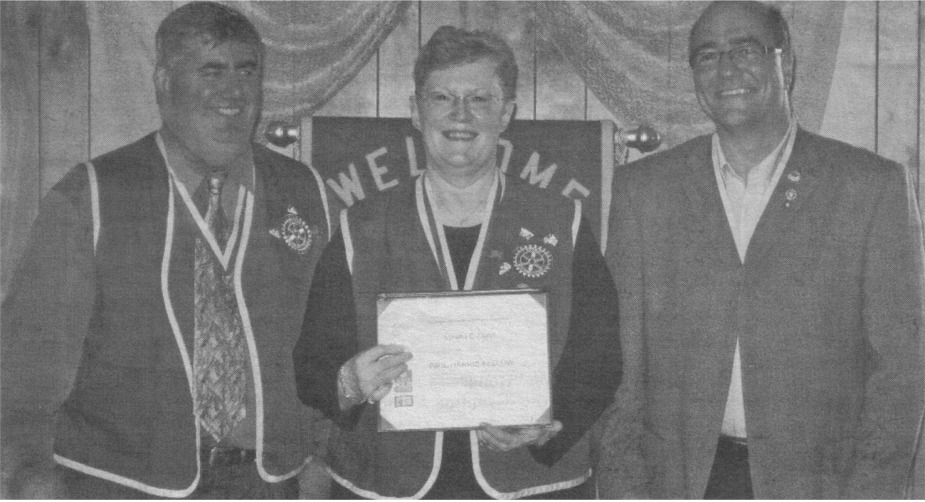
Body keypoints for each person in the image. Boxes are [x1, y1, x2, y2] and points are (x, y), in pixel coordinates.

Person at [0, 2, 333, 498]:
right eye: (210, 70)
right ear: (163, 84)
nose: (234, 92)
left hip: (267, 484)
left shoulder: (303, 192)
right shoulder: (93, 195)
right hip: (118, 482)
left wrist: (320, 458)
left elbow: (326, 349)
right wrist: (28, 474)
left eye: (247, 71)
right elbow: (26, 367)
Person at [600, 1, 925, 498]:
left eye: (746, 49)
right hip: (681, 483)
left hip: (820, 486)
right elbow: (621, 367)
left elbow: (900, 371)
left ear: (787, 62)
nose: (726, 68)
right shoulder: (643, 191)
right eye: (706, 56)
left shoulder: (869, 187)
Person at [293, 26, 622, 499]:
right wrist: (348, 381)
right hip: (386, 480)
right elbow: (312, 363)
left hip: (527, 481)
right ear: (415, 110)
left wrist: (554, 423)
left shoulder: (561, 219)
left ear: (506, 113)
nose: (460, 115)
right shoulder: (361, 225)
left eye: (480, 99)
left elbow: (600, 356)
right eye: (442, 97)